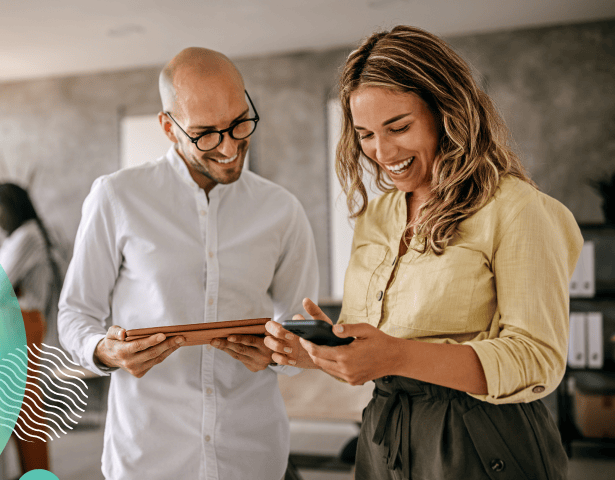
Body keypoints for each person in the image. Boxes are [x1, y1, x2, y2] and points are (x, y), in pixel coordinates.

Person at [265, 25, 583, 479]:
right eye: (366, 134)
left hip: (483, 439)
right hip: (384, 438)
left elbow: (537, 360)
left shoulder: (517, 209)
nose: (381, 150)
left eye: (399, 127)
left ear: (446, 111)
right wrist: (314, 353)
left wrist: (397, 356)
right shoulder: (377, 217)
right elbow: (373, 351)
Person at [58, 47, 319, 480]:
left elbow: (299, 327)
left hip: (254, 453)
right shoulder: (117, 197)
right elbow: (74, 314)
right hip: (148, 455)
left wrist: (278, 353)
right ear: (168, 126)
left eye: (239, 123)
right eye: (206, 134)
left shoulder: (283, 210)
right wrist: (107, 351)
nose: (230, 146)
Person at [0, 182, 61, 474]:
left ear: (10, 206)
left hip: (22, 324)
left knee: (24, 405)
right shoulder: (18, 236)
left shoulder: (27, 235)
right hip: (13, 323)